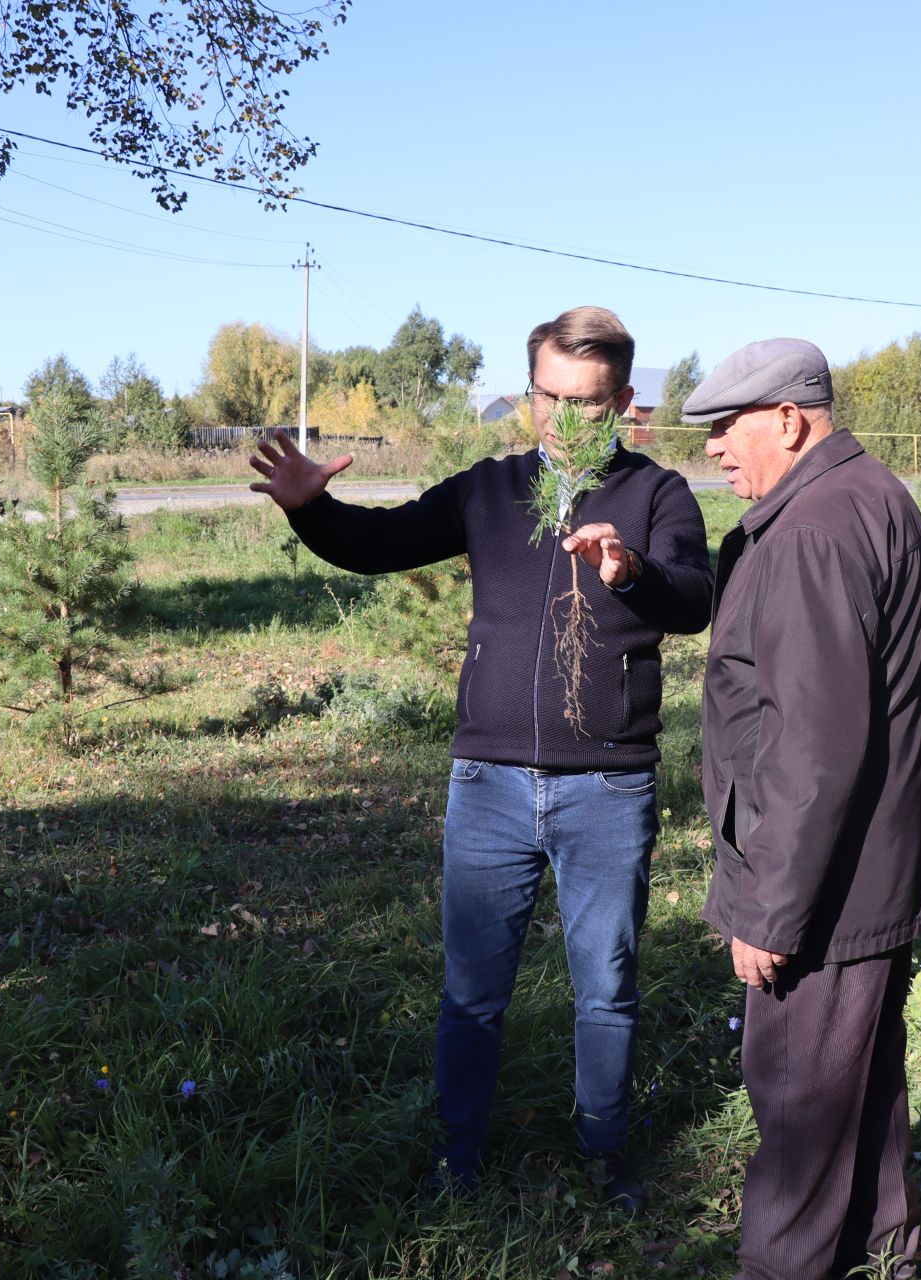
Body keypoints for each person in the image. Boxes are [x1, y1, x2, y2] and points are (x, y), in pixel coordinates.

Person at [248, 306, 713, 1208]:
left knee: (606, 988)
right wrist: (314, 512)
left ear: (620, 400)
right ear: (528, 390)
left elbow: (694, 599)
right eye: (546, 396)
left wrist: (631, 573)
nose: (561, 419)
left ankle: (605, 1155)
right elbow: (380, 543)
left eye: (585, 403)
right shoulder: (488, 490)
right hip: (487, 786)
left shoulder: (658, 496)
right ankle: (457, 1161)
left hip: (608, 787)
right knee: (471, 995)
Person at [684, 338, 921, 1279]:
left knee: (796, 1108)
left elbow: (811, 751)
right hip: (871, 870)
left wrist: (767, 912)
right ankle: (886, 1251)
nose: (713, 448)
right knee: (862, 1082)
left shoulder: (808, 532)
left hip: (823, 891)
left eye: (725, 428)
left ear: (788, 420)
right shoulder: (870, 494)